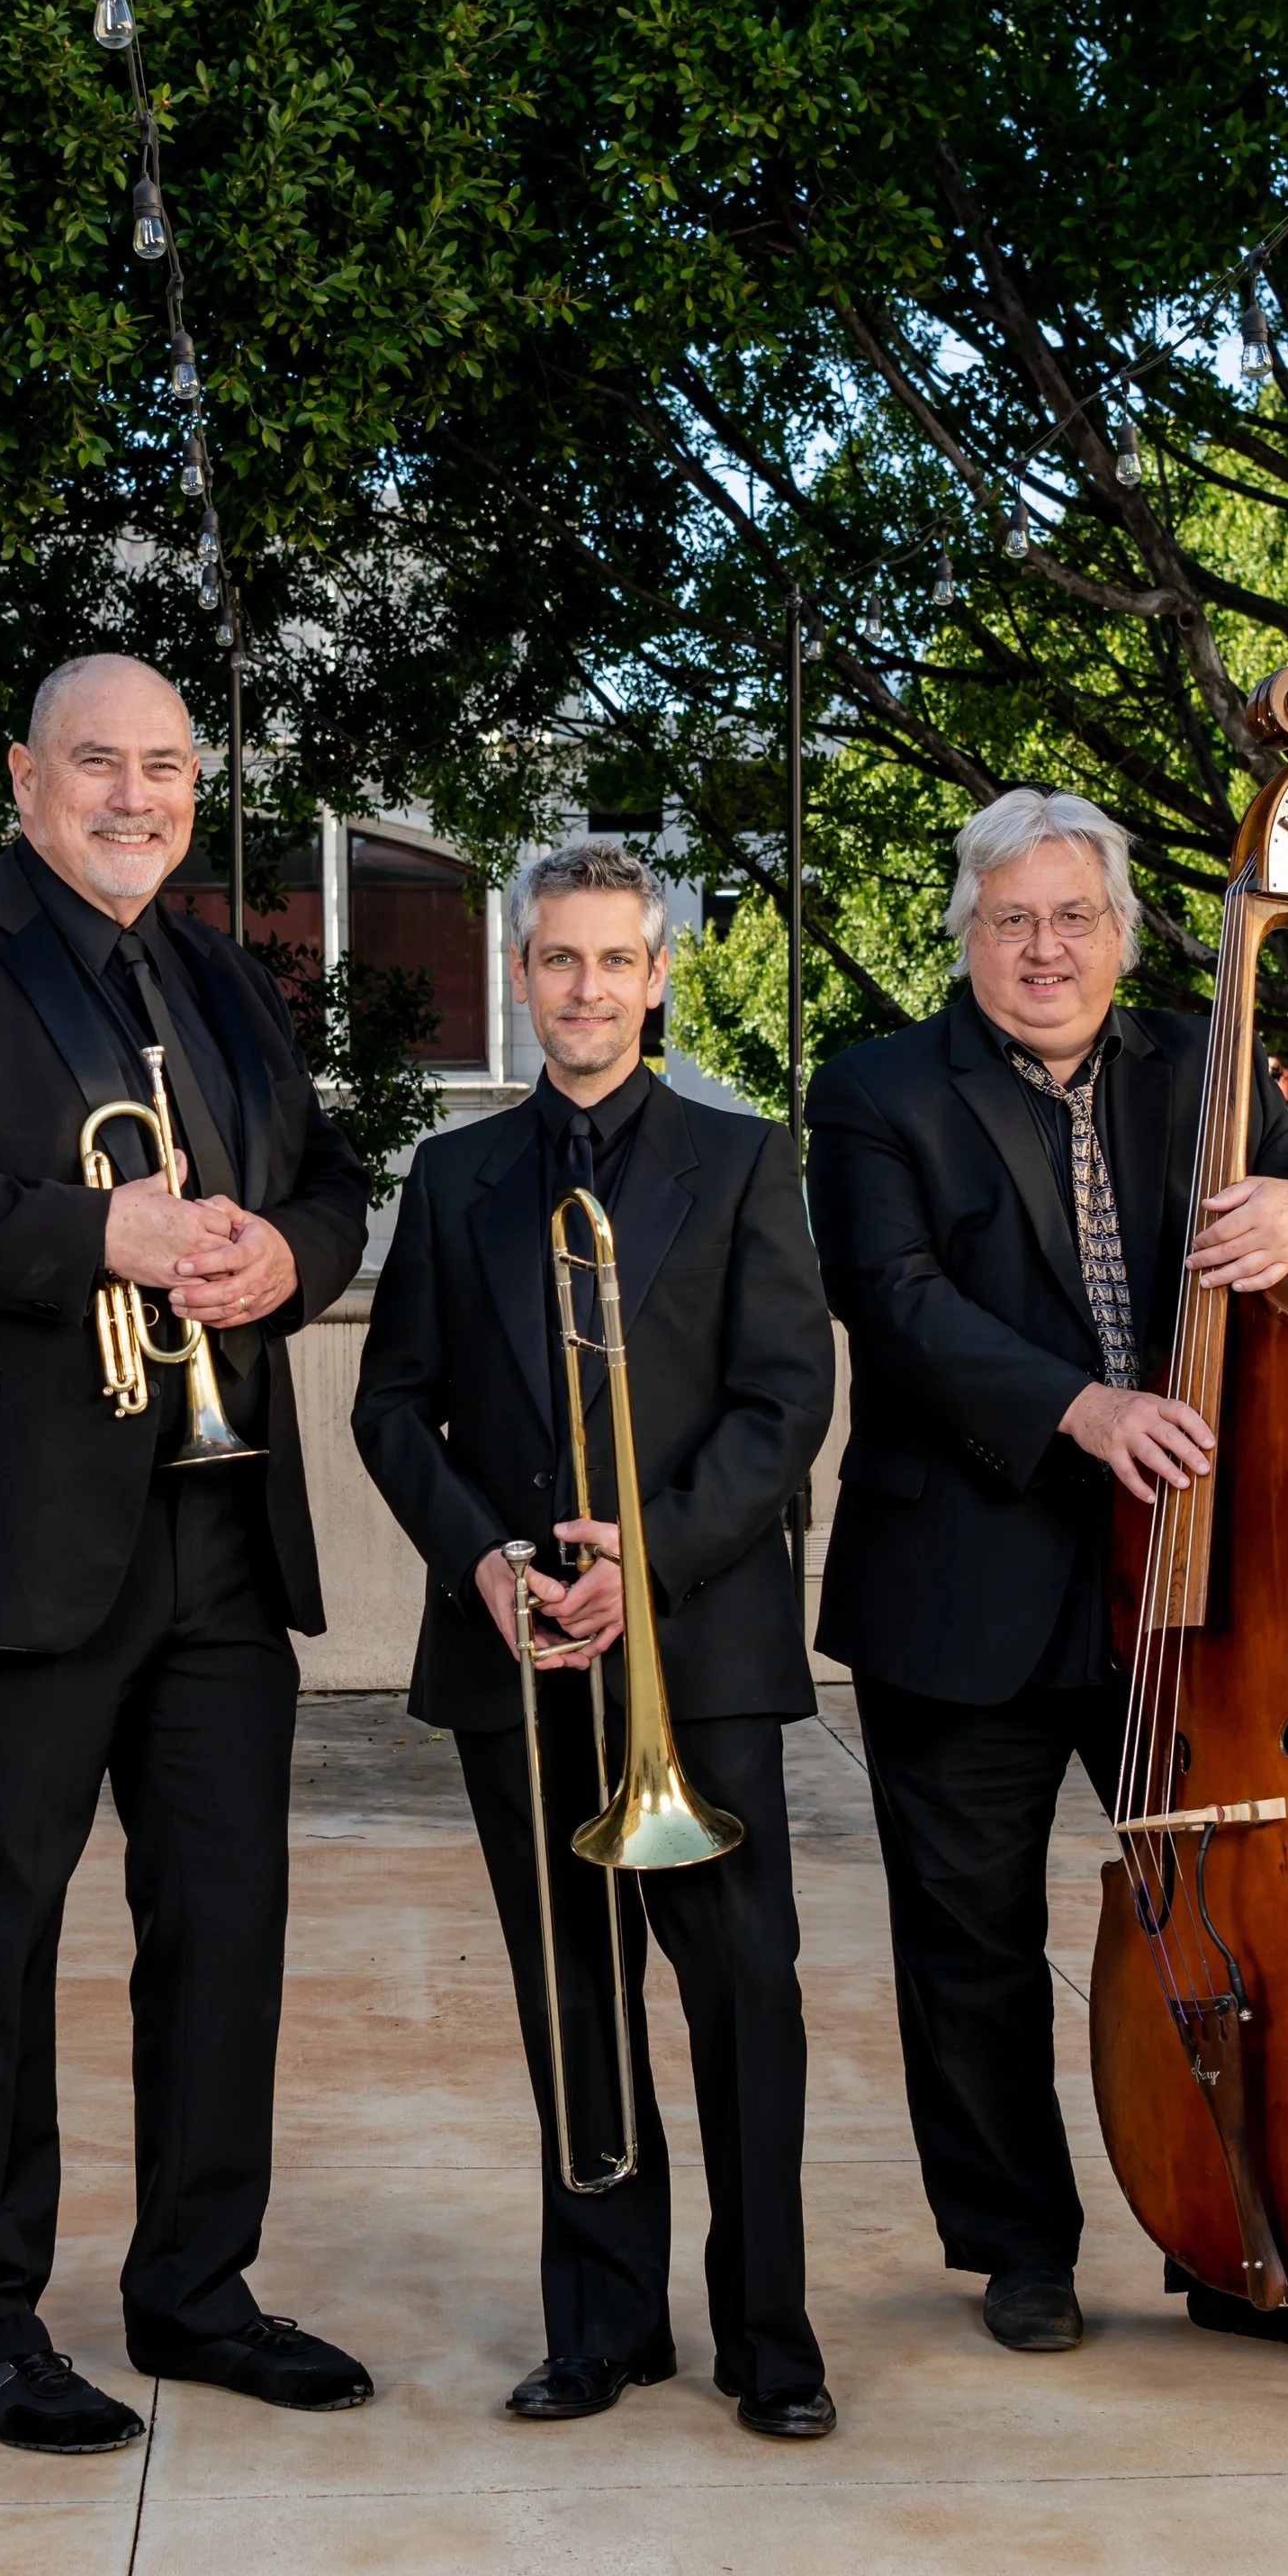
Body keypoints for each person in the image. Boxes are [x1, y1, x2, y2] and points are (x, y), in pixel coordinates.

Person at [0, 653, 374, 2454]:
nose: (138, 796)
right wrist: (93, 1229)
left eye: (169, 769)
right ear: (26, 775)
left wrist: (289, 1254)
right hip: (20, 1531)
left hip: (216, 1514)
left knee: (225, 1925)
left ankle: (194, 2291)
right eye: (101, 764)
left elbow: (329, 1175)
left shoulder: (217, 967)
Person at [806, 787, 1288, 2366]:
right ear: (967, 934)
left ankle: (1249, 2240)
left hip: (1207, 1599)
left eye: (1073, 917)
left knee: (1235, 1935)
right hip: (967, 1582)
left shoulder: (1204, 1066)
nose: (1044, 947)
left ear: (1123, 930)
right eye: (1011, 919)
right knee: (973, 1944)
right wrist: (1081, 1407)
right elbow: (892, 1296)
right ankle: (1019, 2245)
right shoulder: (879, 1088)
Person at [353, 844, 840, 2438]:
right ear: (518, 975)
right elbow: (388, 1403)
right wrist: (486, 1560)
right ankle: (604, 2327)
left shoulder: (744, 1156)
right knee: (573, 2000)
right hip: (522, 1650)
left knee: (743, 1996)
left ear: (658, 977)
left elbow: (788, 1403)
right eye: (556, 961)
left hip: (693, 1650)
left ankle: (772, 2337)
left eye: (614, 961)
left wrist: (661, 1557)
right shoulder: (451, 1177)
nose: (586, 989)